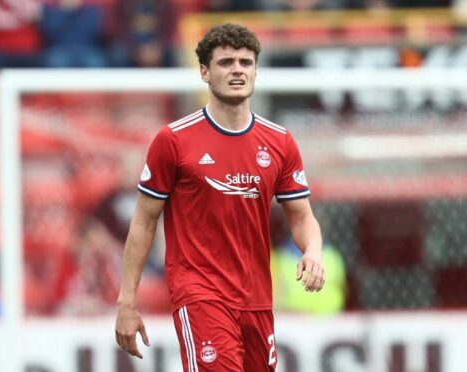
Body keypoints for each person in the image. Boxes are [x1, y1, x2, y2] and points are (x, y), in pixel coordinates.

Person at [114, 23, 325, 372]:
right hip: (200, 294)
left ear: (256, 70)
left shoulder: (280, 142)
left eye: (246, 62)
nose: (238, 70)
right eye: (226, 62)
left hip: (257, 299)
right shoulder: (174, 141)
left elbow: (301, 216)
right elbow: (144, 221)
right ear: (204, 72)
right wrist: (127, 302)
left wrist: (313, 250)